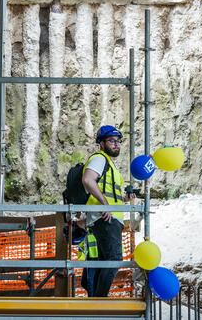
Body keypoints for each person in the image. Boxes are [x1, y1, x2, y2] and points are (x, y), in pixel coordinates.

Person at [80, 125, 133, 297]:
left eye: (118, 141)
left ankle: (96, 299)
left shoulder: (110, 165)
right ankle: (99, 300)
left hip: (109, 218)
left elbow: (110, 193)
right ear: (101, 144)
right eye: (111, 141)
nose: (116, 145)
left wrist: (126, 198)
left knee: (104, 262)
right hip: (104, 217)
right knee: (114, 259)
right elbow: (88, 180)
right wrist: (105, 205)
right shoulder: (99, 159)